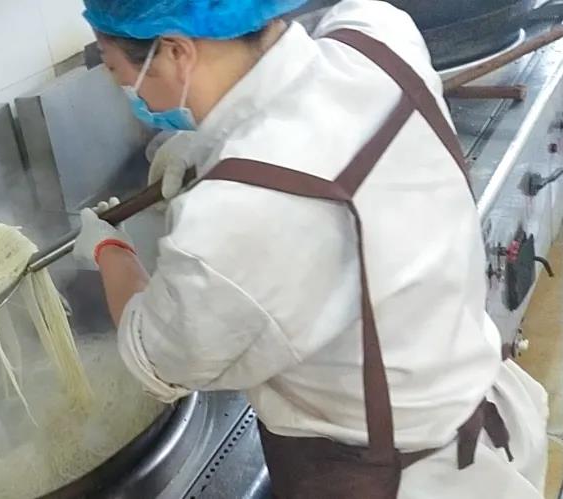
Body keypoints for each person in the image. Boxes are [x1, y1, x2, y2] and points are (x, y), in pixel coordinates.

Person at [70, 0, 549, 497]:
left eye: (118, 71)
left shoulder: (228, 216)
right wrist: (209, 148)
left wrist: (110, 250)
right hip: (484, 420)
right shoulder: (378, 33)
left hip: (395, 479)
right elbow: (312, 129)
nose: (130, 93)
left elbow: (159, 358)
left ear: (174, 52)